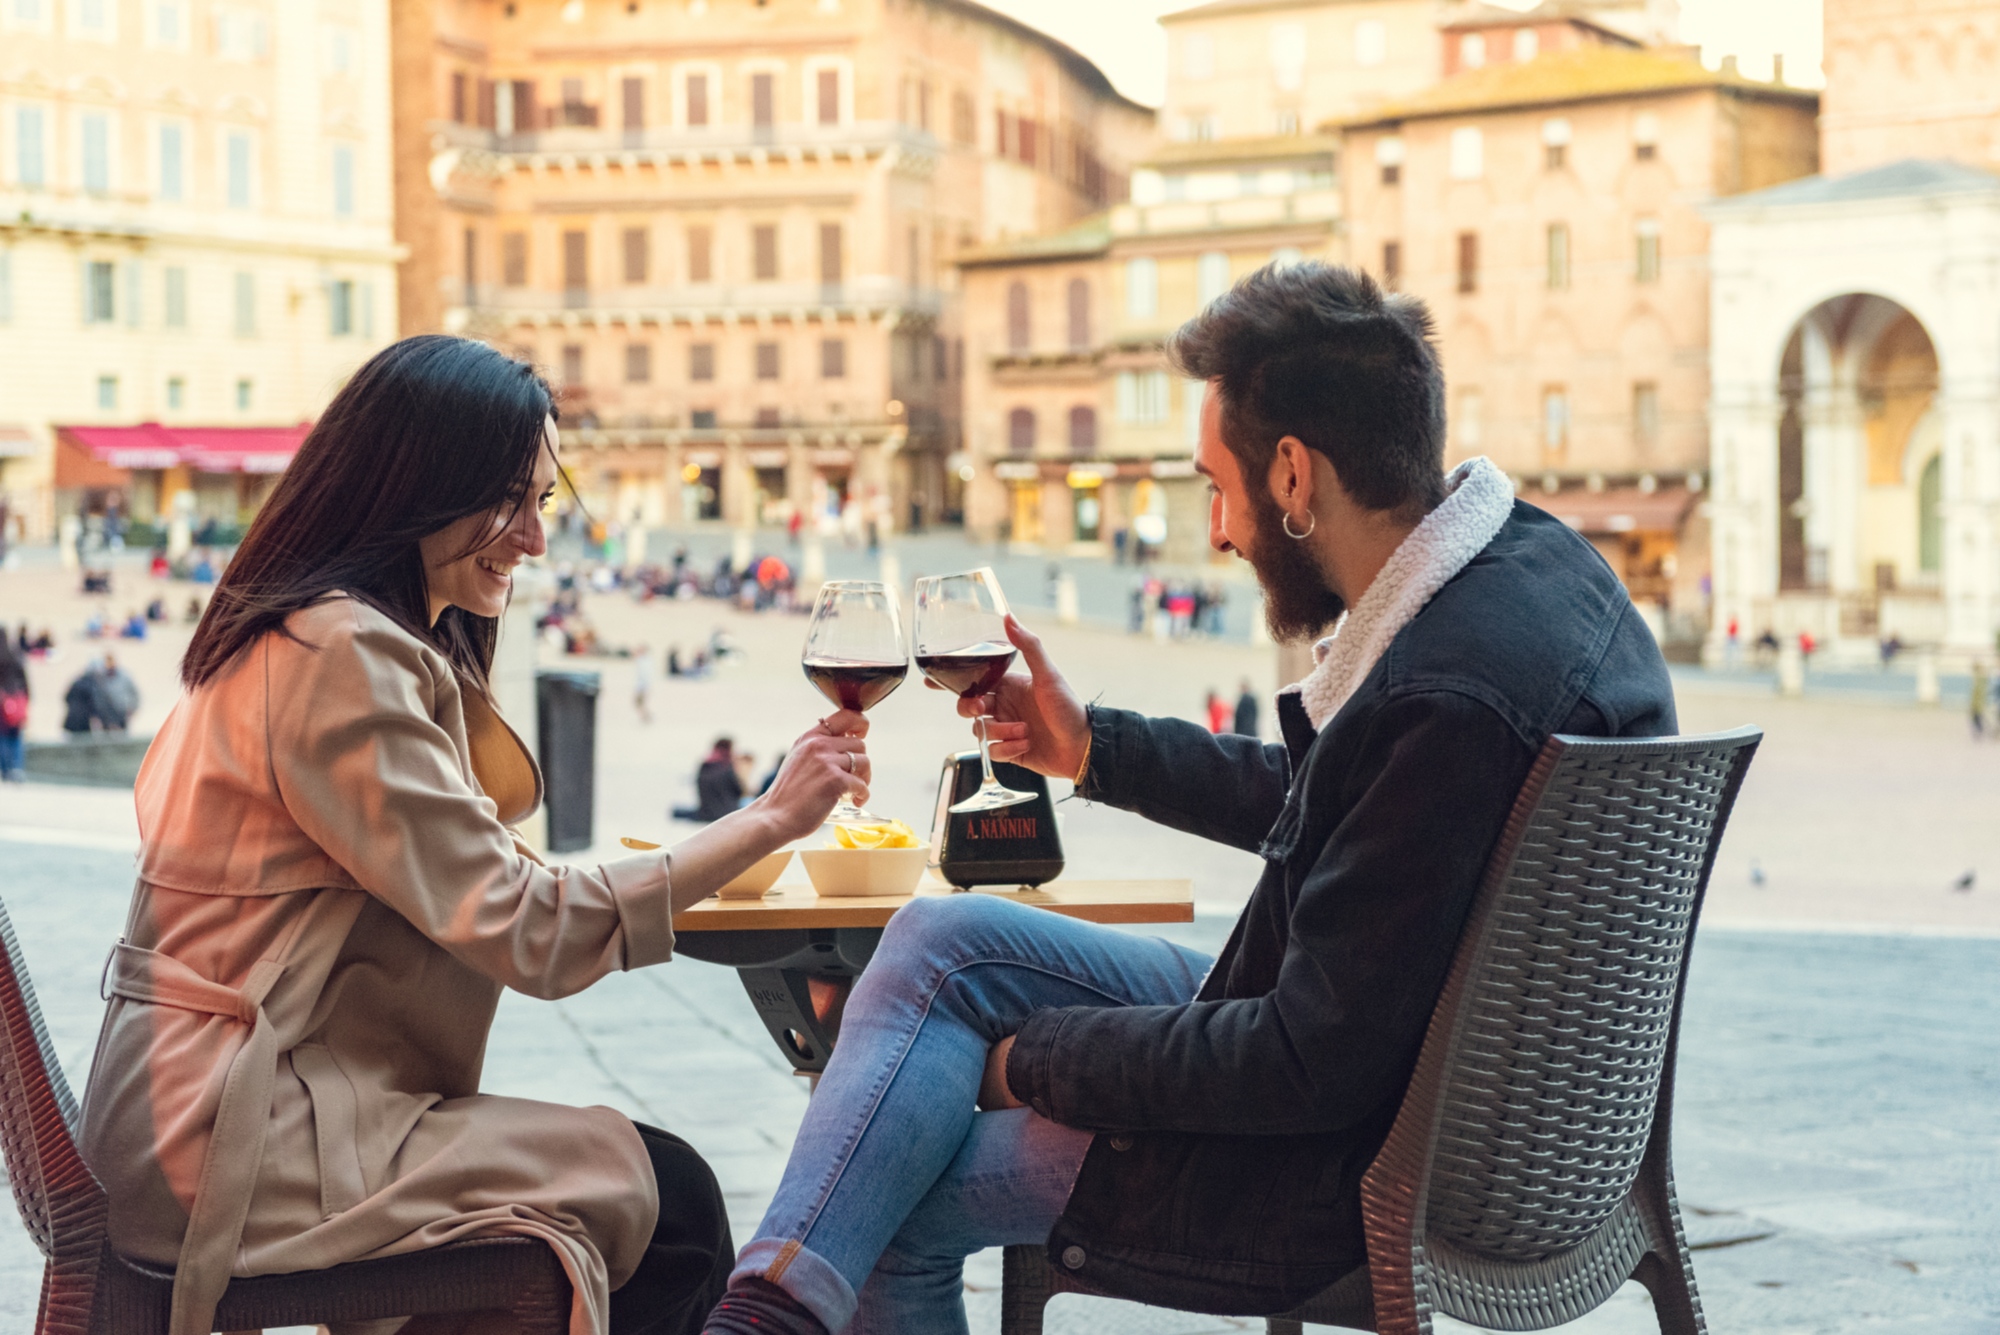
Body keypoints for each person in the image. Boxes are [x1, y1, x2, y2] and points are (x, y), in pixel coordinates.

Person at [698, 263, 1676, 1335]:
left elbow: (1302, 1063)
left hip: (1347, 1161)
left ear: (1293, 475)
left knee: (898, 1191)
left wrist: (1038, 1061)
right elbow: (1348, 815)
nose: (1216, 529)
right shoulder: (1533, 575)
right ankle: (771, 1308)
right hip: (1457, 1092)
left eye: (1218, 485)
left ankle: (766, 1312)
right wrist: (1093, 749)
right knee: (940, 939)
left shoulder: (1441, 698)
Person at [78, 336, 874, 1335]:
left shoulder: (316, 633)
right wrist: (770, 819)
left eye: (541, 503)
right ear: (414, 486)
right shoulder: (337, 653)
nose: (534, 541)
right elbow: (529, 931)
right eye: (510, 502)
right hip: (240, 1139)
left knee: (644, 1186)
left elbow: (500, 886)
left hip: (224, 1107)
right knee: (668, 1202)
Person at [673, 737, 747, 822]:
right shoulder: (727, 768)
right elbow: (740, 791)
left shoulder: (704, 765)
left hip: (706, 812)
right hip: (727, 813)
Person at [0, 636, 28, 781]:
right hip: (16, 700)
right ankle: (17, 767)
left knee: (3, 737)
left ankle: (5, 770)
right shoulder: (15, 656)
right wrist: (26, 699)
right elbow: (24, 680)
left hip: (3, 703)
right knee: (16, 736)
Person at [1971, 659, 1989, 741]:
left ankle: (1980, 732)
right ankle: (1979, 731)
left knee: (1978, 719)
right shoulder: (1977, 679)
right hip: (1976, 703)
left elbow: (1980, 694)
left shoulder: (1980, 680)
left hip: (1978, 704)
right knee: (1976, 719)